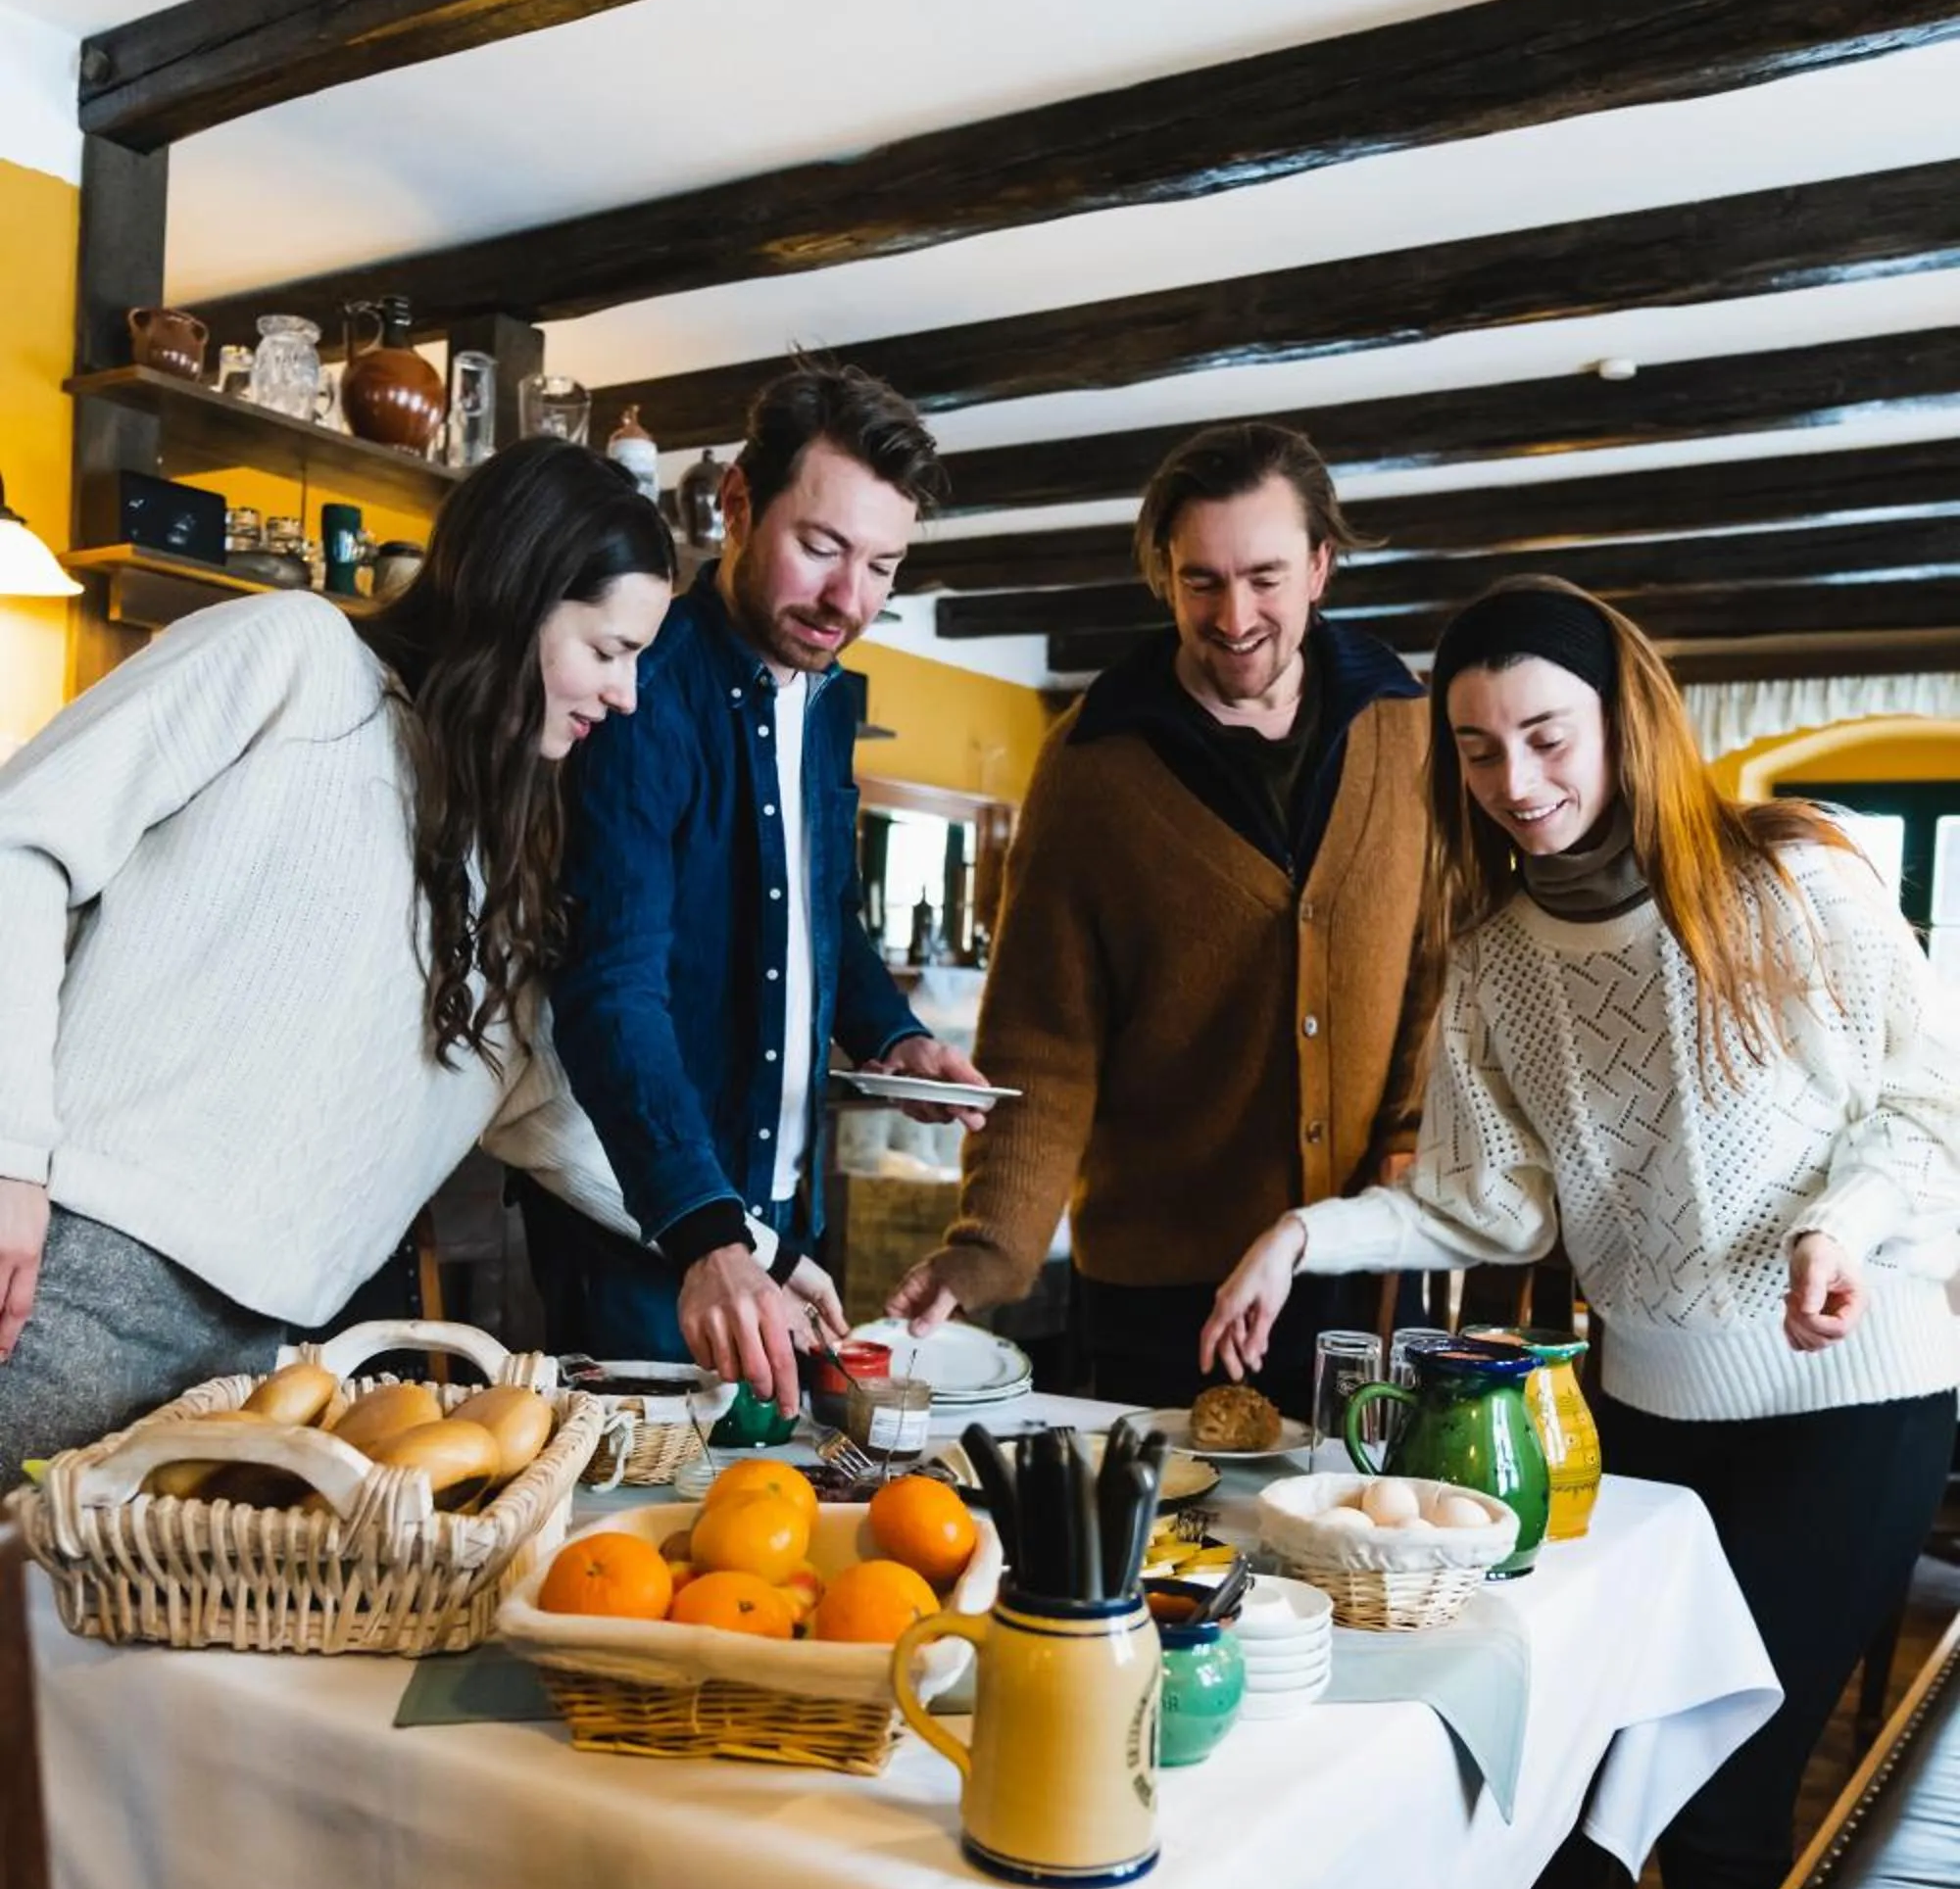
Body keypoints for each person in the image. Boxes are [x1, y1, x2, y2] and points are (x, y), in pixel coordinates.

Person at [1204, 576, 1960, 1889]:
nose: (1516, 784)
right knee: (1574, 1768)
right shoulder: (1493, 961)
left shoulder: (1795, 878)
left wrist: (1843, 1230)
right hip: (1640, 1414)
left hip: (1849, 1409)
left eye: (1547, 738)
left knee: (1722, 1799)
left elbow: (1930, 1106)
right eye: (1479, 752)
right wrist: (1300, 1235)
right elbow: (1491, 1203)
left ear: (1627, 724)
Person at [0, 439, 675, 1492]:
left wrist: (741, 1248)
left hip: (260, 1357)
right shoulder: (295, 657)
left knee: (95, 1654)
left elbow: (540, 1112)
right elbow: (19, 843)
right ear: (519, 598)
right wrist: (8, 1157)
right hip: (65, 1274)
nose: (626, 694)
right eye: (607, 648)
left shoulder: (498, 849)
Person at [888, 419, 1433, 1413]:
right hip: (1160, 1287)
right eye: (1201, 582)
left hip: (1364, 1263)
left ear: (1319, 567)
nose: (1233, 615)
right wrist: (988, 1251)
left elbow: (1439, 966)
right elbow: (1042, 1040)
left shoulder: (1406, 727)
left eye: (1264, 577)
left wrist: (1406, 1139)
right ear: (1162, 578)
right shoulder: (1092, 766)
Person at [528, 357, 988, 1410]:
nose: (847, 599)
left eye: (881, 566)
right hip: (653, 1224)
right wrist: (703, 1225)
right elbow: (609, 985)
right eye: (820, 547)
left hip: (783, 1224)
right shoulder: (645, 688)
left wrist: (893, 1040)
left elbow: (822, 906)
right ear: (736, 502)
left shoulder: (827, 701)